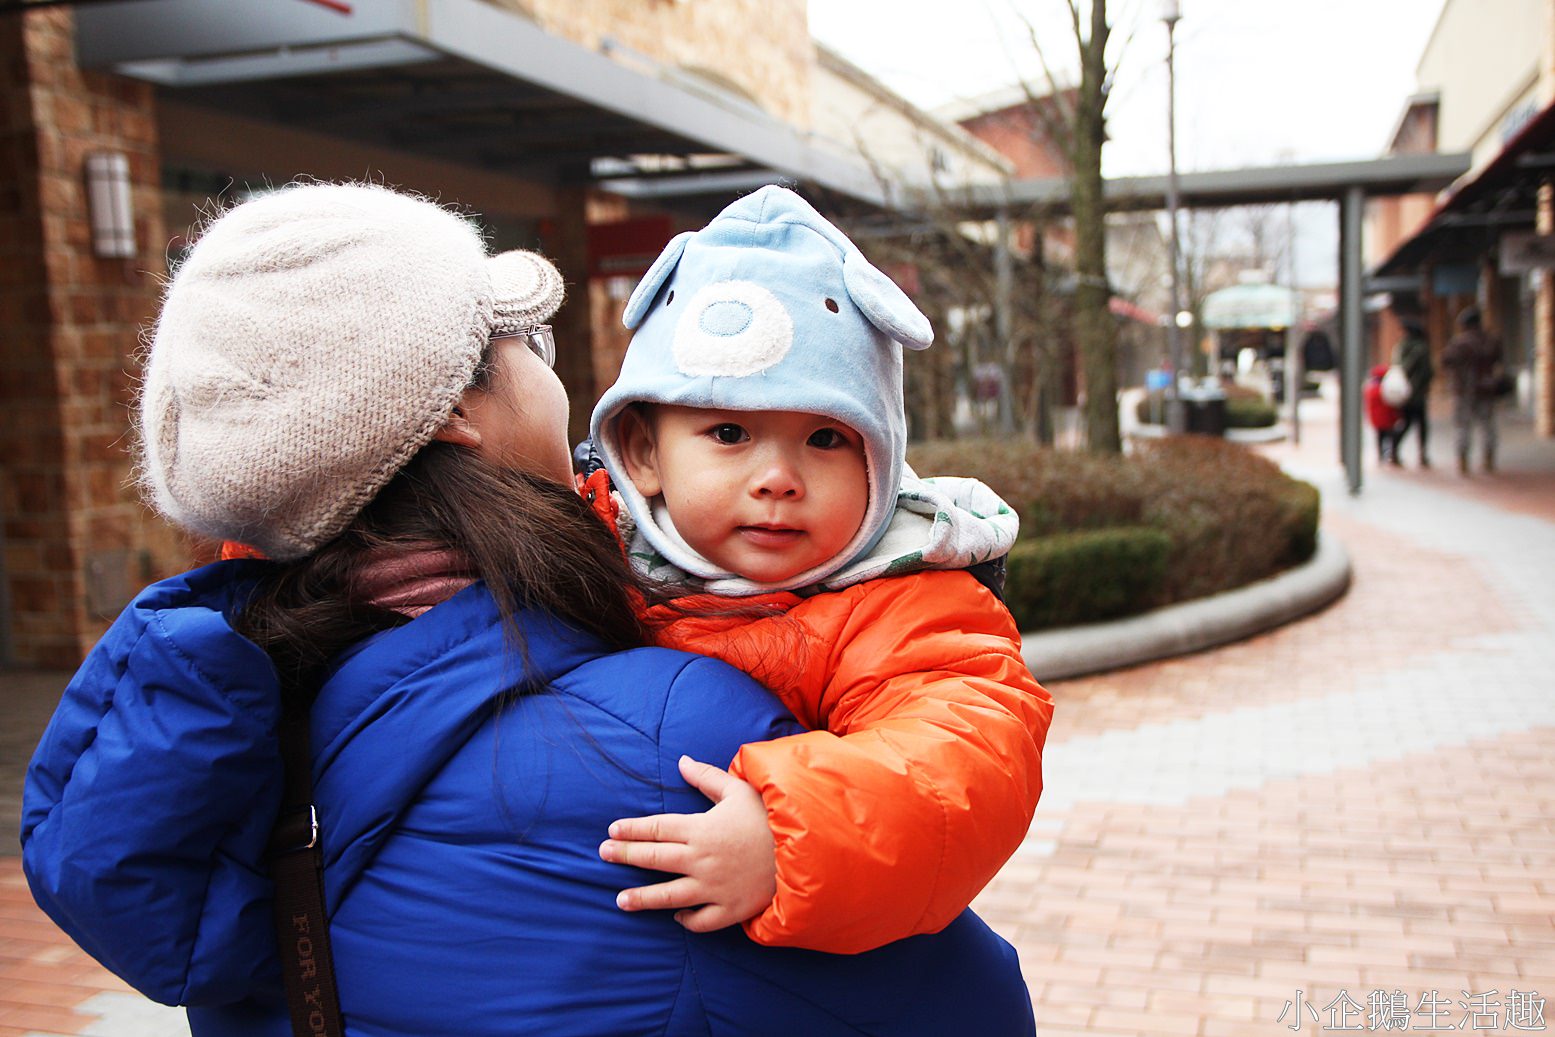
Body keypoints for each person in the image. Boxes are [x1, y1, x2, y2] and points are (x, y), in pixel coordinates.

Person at [21, 183, 1036, 1036]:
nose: (771, 477)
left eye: (824, 438)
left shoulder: (226, 728)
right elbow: (973, 1006)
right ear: (459, 411)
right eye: (528, 340)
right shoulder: (672, 745)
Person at [585, 186, 1053, 953]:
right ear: (642, 451)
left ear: (880, 461)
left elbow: (970, 752)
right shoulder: (579, 554)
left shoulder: (898, 600)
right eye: (729, 431)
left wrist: (792, 831)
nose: (779, 477)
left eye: (826, 439)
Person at [1441, 306, 1505, 475]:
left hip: (1464, 391)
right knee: (1488, 426)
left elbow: (1446, 361)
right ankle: (1488, 460)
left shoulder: (1459, 342)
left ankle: (1463, 462)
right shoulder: (1491, 340)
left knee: (1463, 426)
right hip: (1486, 389)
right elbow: (1499, 359)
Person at [1391, 316, 1434, 467]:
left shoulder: (1402, 347)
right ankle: (1422, 454)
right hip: (1417, 393)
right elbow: (1428, 371)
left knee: (1406, 422)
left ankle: (1394, 450)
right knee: (1419, 424)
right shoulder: (1420, 347)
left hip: (1404, 391)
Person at [1363, 364, 1404, 464]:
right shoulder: (1383, 390)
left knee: (1380, 438)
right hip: (1387, 420)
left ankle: (1381, 454)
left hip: (1377, 420)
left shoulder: (1370, 388)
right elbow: (1391, 405)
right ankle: (1388, 453)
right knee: (1389, 437)